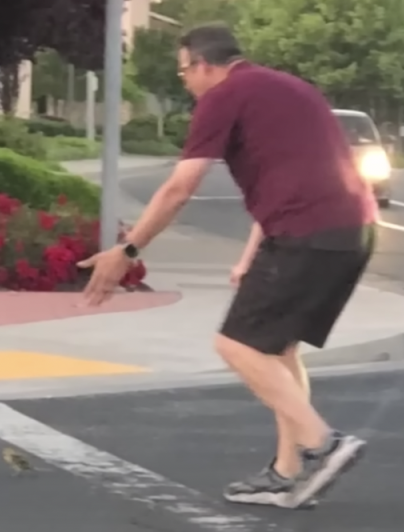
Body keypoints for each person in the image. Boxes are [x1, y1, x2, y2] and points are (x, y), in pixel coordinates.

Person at [77, 23, 376, 509]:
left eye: (183, 72)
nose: (185, 83)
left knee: (236, 344)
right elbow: (297, 175)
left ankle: (325, 445)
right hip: (352, 231)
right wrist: (250, 255)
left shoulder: (224, 95)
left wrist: (128, 250)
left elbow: (179, 187)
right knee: (277, 350)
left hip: (308, 233)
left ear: (202, 64)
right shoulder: (292, 88)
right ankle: (287, 473)